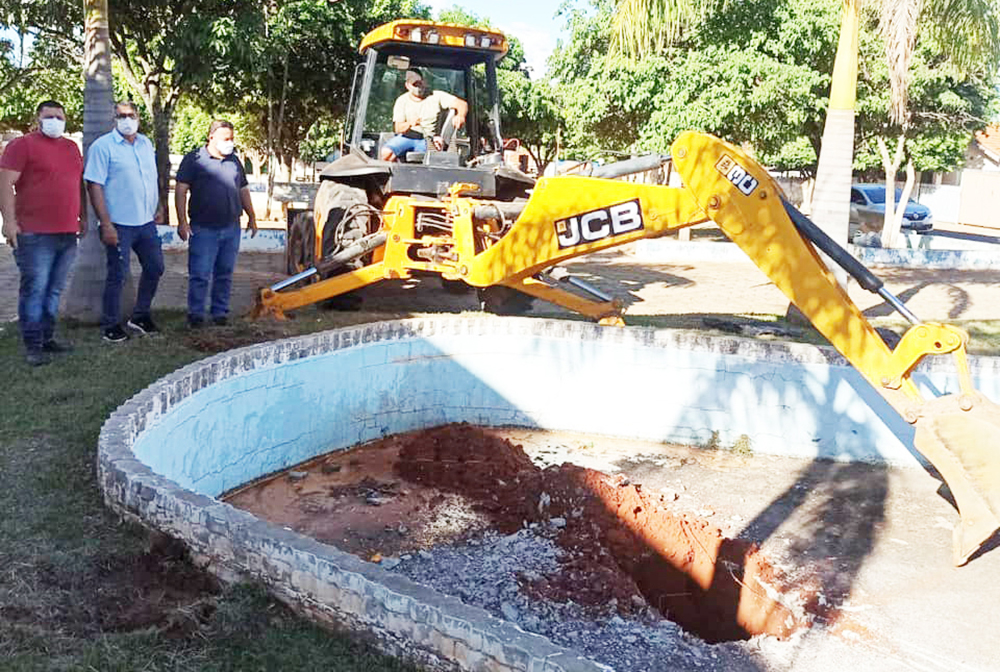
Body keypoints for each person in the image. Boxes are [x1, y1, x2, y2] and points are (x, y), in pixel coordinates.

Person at [0, 100, 85, 366]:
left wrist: (82, 217)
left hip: (67, 232)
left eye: (59, 117)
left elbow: (77, 184)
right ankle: (33, 345)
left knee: (54, 290)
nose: (55, 121)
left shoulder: (71, 148)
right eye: (49, 116)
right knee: (35, 290)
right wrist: (9, 222)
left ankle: (47, 338)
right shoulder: (22, 145)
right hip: (34, 234)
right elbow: (5, 183)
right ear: (38, 119)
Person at [84, 101, 165, 343]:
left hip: (146, 223)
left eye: (131, 115)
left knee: (155, 267)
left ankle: (140, 316)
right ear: (114, 119)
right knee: (117, 275)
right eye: (121, 116)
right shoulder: (103, 147)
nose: (127, 120)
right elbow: (94, 185)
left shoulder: (146, 144)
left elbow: (151, 177)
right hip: (118, 224)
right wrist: (106, 224)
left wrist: (158, 205)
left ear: (138, 117)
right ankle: (110, 325)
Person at [174, 120, 257, 327]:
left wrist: (252, 216)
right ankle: (196, 315)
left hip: (231, 227)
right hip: (203, 228)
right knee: (200, 274)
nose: (230, 142)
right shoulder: (194, 159)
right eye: (225, 139)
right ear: (211, 137)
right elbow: (181, 190)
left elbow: (243, 189)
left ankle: (220, 313)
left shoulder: (234, 161)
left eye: (232, 138)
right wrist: (182, 222)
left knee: (225, 273)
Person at [380, 68, 468, 162]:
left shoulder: (436, 96)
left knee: (425, 158)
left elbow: (462, 104)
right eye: (415, 85)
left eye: (420, 83)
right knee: (386, 153)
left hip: (428, 139)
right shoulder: (402, 101)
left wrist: (460, 115)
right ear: (407, 86)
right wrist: (410, 123)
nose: (418, 87)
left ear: (424, 82)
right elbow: (398, 128)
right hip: (408, 137)